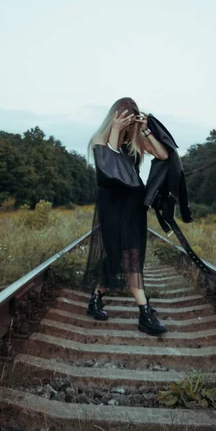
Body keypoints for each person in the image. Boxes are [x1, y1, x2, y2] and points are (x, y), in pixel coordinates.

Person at [81, 97, 169, 336]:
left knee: (130, 254)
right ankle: (141, 310)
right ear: (114, 117)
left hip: (133, 206)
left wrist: (145, 130)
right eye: (124, 122)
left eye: (130, 123)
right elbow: (110, 170)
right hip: (112, 206)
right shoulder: (99, 141)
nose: (128, 128)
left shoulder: (134, 141)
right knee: (117, 254)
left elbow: (162, 155)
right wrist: (115, 132)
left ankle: (105, 301)